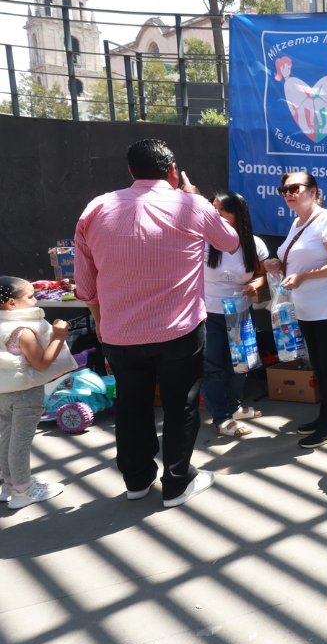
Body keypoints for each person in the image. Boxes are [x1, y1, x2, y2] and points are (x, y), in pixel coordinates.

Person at [74, 139, 239, 507]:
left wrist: (101, 323)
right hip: (180, 331)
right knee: (181, 405)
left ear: (131, 171)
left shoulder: (97, 208)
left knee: (131, 406)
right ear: (172, 172)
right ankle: (177, 483)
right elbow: (229, 242)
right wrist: (193, 197)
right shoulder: (192, 204)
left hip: (119, 333)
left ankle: (136, 480)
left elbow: (85, 286)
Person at [277, 172, 327, 448]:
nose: (289, 193)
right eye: (284, 189)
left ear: (313, 191)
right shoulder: (298, 222)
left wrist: (303, 276)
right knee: (319, 366)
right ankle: (325, 417)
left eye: (295, 188)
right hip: (306, 305)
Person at [0, 277, 74, 509]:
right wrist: (59, 337)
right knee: (20, 442)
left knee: (6, 437)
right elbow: (41, 363)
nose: (36, 300)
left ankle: (9, 485)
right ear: (12, 303)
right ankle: (24, 491)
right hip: (26, 394)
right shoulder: (22, 331)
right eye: (31, 296)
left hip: (3, 392)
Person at [202, 191, 269, 438]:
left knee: (240, 365)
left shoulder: (254, 243)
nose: (217, 215)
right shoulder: (203, 241)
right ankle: (221, 418)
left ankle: (233, 407)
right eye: (213, 209)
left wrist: (256, 285)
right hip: (209, 313)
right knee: (212, 368)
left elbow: (264, 274)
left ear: (238, 213)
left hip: (240, 312)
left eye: (223, 210)